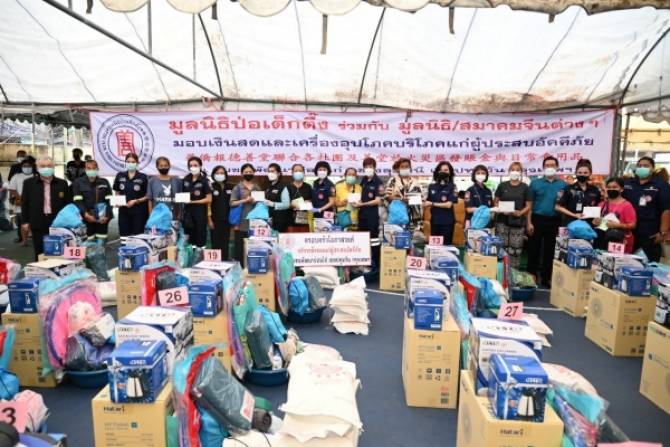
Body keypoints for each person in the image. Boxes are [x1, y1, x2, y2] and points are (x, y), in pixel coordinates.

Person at [21, 156, 71, 260]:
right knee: (40, 252)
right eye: (43, 166)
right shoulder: (28, 183)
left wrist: (68, 221)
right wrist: (25, 221)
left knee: (57, 251)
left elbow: (67, 204)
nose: (46, 168)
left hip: (57, 222)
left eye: (49, 166)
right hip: (37, 221)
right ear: (37, 168)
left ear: (53, 167)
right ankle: (40, 269)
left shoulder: (62, 183)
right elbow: (25, 203)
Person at [527, 156, 567, 287]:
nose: (550, 168)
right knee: (534, 249)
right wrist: (529, 222)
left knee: (550, 250)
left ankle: (546, 277)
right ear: (543, 168)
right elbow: (529, 205)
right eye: (547, 165)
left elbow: (564, 205)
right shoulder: (535, 183)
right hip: (537, 219)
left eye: (552, 165)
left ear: (557, 167)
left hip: (554, 220)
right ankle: (531, 276)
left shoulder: (563, 185)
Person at [622, 156, 670, 262]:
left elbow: (666, 209)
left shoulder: (661, 185)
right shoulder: (628, 184)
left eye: (646, 166)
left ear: (652, 169)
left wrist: (663, 232)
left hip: (650, 233)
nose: (642, 168)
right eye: (639, 166)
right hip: (628, 231)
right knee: (625, 262)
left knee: (647, 264)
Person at [494, 162, 531, 269]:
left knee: (516, 250)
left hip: (518, 222)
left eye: (517, 170)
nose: (515, 172)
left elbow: (528, 205)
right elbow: (495, 202)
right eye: (513, 169)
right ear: (509, 171)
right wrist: (501, 210)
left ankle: (514, 274)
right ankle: (501, 273)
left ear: (521, 172)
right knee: (501, 248)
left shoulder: (525, 187)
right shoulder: (502, 185)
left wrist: (521, 212)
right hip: (502, 221)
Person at [73, 159, 113, 243]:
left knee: (101, 243)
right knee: (88, 245)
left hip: (102, 220)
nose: (91, 170)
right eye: (89, 168)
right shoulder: (78, 182)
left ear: (97, 169)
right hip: (86, 219)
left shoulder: (104, 182)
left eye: (94, 168)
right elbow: (78, 201)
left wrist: (107, 215)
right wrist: (85, 214)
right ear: (85, 169)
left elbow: (110, 201)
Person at [594, 177, 637, 253]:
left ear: (621, 189)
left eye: (614, 187)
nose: (611, 189)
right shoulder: (601, 204)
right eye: (609, 187)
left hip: (618, 241)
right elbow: (595, 221)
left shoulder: (627, 205)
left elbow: (633, 225)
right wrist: (596, 222)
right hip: (601, 240)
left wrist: (617, 225)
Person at [355, 157, 384, 270]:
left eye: (370, 166)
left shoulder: (378, 181)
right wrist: (357, 201)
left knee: (374, 241)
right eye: (366, 167)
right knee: (363, 240)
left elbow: (378, 200)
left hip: (373, 215)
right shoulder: (363, 180)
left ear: (374, 168)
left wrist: (362, 204)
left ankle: (375, 266)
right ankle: (363, 264)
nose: (368, 169)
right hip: (362, 214)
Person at [230, 163, 262, 263]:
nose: (248, 173)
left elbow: (261, 204)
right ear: (242, 173)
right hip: (240, 223)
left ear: (254, 173)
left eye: (250, 172)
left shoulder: (257, 188)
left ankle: (252, 267)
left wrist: (255, 201)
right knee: (239, 248)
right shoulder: (237, 187)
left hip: (255, 223)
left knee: (253, 248)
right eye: (246, 172)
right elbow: (232, 203)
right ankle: (239, 268)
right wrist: (244, 200)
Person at [112, 153, 149, 236]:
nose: (130, 164)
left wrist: (136, 201)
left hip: (139, 212)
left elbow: (148, 195)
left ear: (137, 163)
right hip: (123, 211)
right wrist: (117, 201)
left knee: (138, 236)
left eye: (133, 162)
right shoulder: (120, 175)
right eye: (128, 162)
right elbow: (117, 191)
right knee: (124, 235)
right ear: (125, 162)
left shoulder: (143, 177)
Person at [555, 159, 601, 226]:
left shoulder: (595, 190)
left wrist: (597, 218)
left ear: (590, 173)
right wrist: (575, 215)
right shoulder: (566, 189)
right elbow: (557, 207)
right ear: (576, 173)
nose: (582, 175)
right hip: (571, 224)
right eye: (580, 172)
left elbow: (599, 206)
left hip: (590, 225)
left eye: (585, 173)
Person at [385, 158, 424, 233]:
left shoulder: (416, 182)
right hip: (397, 217)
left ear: (410, 168)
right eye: (402, 167)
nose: (405, 168)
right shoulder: (393, 181)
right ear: (398, 169)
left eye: (407, 166)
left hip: (414, 217)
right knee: (397, 238)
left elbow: (420, 199)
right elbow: (388, 197)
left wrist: (411, 200)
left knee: (413, 238)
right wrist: (401, 199)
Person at [181, 157, 212, 247]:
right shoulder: (185, 179)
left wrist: (193, 202)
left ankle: (200, 254)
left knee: (200, 239)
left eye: (195, 165)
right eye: (191, 166)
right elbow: (181, 195)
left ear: (200, 166)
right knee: (189, 240)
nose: (193, 167)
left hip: (200, 214)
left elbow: (209, 199)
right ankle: (190, 255)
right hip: (187, 214)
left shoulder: (204, 181)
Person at [425, 161, 458, 245]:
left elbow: (448, 205)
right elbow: (425, 202)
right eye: (441, 170)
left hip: (447, 222)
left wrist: (432, 204)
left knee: (446, 247)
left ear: (450, 172)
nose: (443, 172)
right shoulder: (431, 186)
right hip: (434, 222)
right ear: (437, 172)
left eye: (446, 170)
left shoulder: (453, 186)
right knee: (434, 247)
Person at [8, 157, 36, 246]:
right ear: (21, 167)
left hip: (34, 203)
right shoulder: (16, 176)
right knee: (24, 223)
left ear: (32, 167)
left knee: (35, 223)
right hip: (21, 203)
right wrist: (21, 199)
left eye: (29, 166)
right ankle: (24, 241)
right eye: (24, 166)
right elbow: (12, 189)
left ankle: (36, 239)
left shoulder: (36, 176)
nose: (27, 168)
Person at [209, 166, 232, 259]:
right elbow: (207, 205)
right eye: (217, 173)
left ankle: (225, 262)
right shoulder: (210, 187)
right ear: (213, 175)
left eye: (222, 173)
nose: (220, 175)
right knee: (216, 243)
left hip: (227, 220)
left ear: (225, 174)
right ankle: (216, 264)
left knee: (225, 243)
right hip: (214, 220)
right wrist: (209, 219)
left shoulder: (230, 187)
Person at [264, 163, 291, 233]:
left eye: (272, 171)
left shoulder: (283, 186)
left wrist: (273, 204)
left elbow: (286, 204)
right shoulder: (269, 187)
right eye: (269, 171)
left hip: (280, 220)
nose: (270, 173)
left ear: (279, 173)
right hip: (270, 219)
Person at [286, 164, 313, 233]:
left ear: (303, 173)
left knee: (304, 238)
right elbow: (285, 203)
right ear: (292, 173)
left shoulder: (308, 187)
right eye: (296, 171)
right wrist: (292, 204)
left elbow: (311, 201)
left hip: (304, 220)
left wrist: (302, 204)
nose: (298, 172)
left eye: (300, 171)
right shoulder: (287, 187)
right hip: (290, 220)